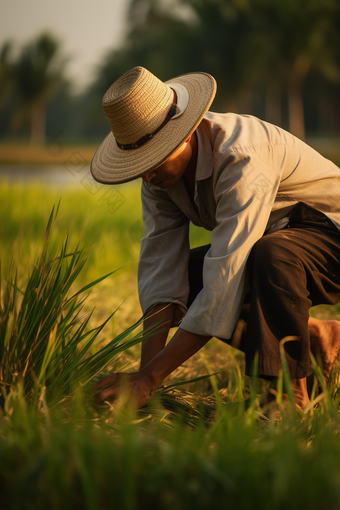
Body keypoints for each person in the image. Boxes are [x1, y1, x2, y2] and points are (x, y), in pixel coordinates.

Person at [90, 66, 340, 410]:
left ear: (186, 134)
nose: (147, 174)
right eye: (139, 163)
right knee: (190, 276)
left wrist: (149, 380)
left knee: (273, 256)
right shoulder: (157, 179)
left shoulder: (241, 155)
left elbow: (226, 277)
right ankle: (314, 336)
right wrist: (144, 376)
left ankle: (290, 395)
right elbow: (163, 269)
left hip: (330, 232)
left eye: (154, 158)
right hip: (277, 238)